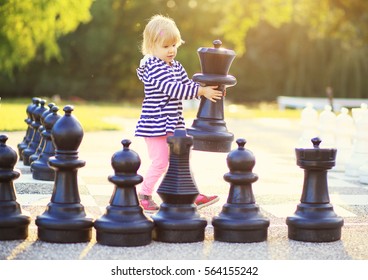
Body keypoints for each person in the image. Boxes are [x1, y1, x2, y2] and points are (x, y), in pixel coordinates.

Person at [135, 14, 222, 211]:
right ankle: (144, 194)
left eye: (174, 45)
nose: (171, 50)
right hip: (155, 124)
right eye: (165, 47)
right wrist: (200, 91)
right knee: (160, 162)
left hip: (174, 124)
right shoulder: (152, 68)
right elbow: (173, 89)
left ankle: (191, 194)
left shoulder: (176, 66)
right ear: (151, 47)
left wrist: (208, 87)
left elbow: (186, 85)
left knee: (182, 159)